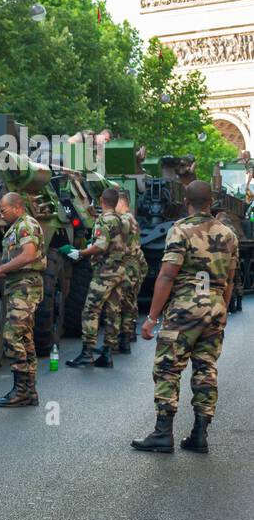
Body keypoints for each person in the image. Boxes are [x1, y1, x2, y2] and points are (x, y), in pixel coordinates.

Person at [132, 181, 238, 453]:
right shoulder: (229, 235)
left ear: (187, 202)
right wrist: (222, 310)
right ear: (211, 202)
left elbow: (167, 274)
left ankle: (162, 434)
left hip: (186, 306)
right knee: (206, 370)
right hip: (214, 306)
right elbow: (229, 280)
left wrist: (152, 317)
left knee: (167, 368)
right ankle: (200, 435)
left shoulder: (180, 230)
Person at [0, 193, 46, 407]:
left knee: (12, 335)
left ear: (17, 207)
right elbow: (16, 263)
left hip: (25, 288)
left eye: (3, 209)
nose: (0, 213)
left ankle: (21, 390)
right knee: (24, 338)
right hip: (18, 286)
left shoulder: (26, 225)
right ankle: (29, 390)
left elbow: (29, 255)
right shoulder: (15, 228)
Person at [65, 187, 126, 368]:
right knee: (112, 312)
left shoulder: (103, 221)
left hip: (104, 273)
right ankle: (107, 353)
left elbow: (100, 245)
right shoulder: (121, 221)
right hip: (119, 271)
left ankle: (87, 353)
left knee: (90, 311)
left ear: (101, 199)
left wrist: (81, 253)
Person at [115, 191, 146, 353]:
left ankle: (122, 339)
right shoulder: (131, 219)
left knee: (122, 303)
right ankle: (127, 336)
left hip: (127, 265)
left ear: (121, 203)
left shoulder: (125, 219)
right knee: (129, 302)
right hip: (134, 264)